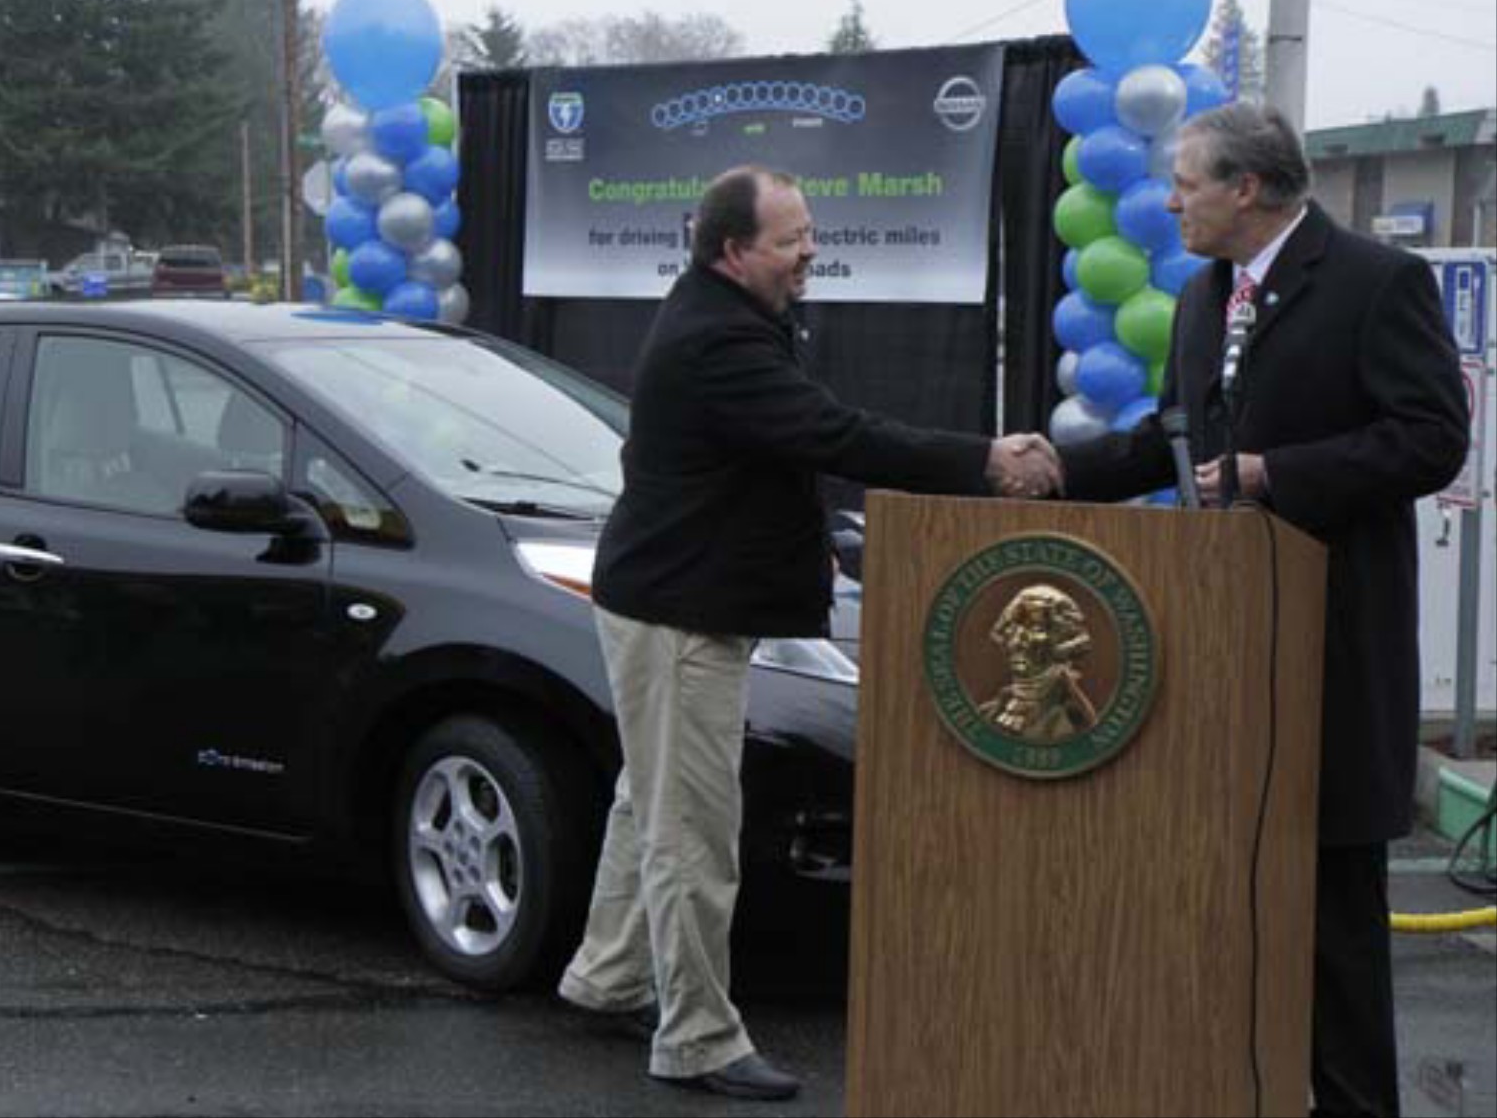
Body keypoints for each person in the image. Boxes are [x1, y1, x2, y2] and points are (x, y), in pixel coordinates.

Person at [557, 165, 1063, 1101]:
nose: (809, 251)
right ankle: (698, 1038)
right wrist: (986, 459)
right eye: (791, 239)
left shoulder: (736, 319)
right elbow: (833, 434)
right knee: (690, 829)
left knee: (648, 802)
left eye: (808, 232)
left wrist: (816, 540)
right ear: (732, 250)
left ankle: (607, 975)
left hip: (677, 598)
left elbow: (759, 460)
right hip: (678, 614)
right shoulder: (718, 341)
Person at [1054, 103, 1469, 1117]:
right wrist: (1043, 473)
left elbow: (1429, 438)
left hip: (1328, 658)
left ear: (1244, 188)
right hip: (1215, 663)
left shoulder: (1377, 282)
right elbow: (1175, 436)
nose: (1166, 201)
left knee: (1329, 922)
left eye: (1184, 182)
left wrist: (1273, 472)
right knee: (1223, 905)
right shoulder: (1200, 296)